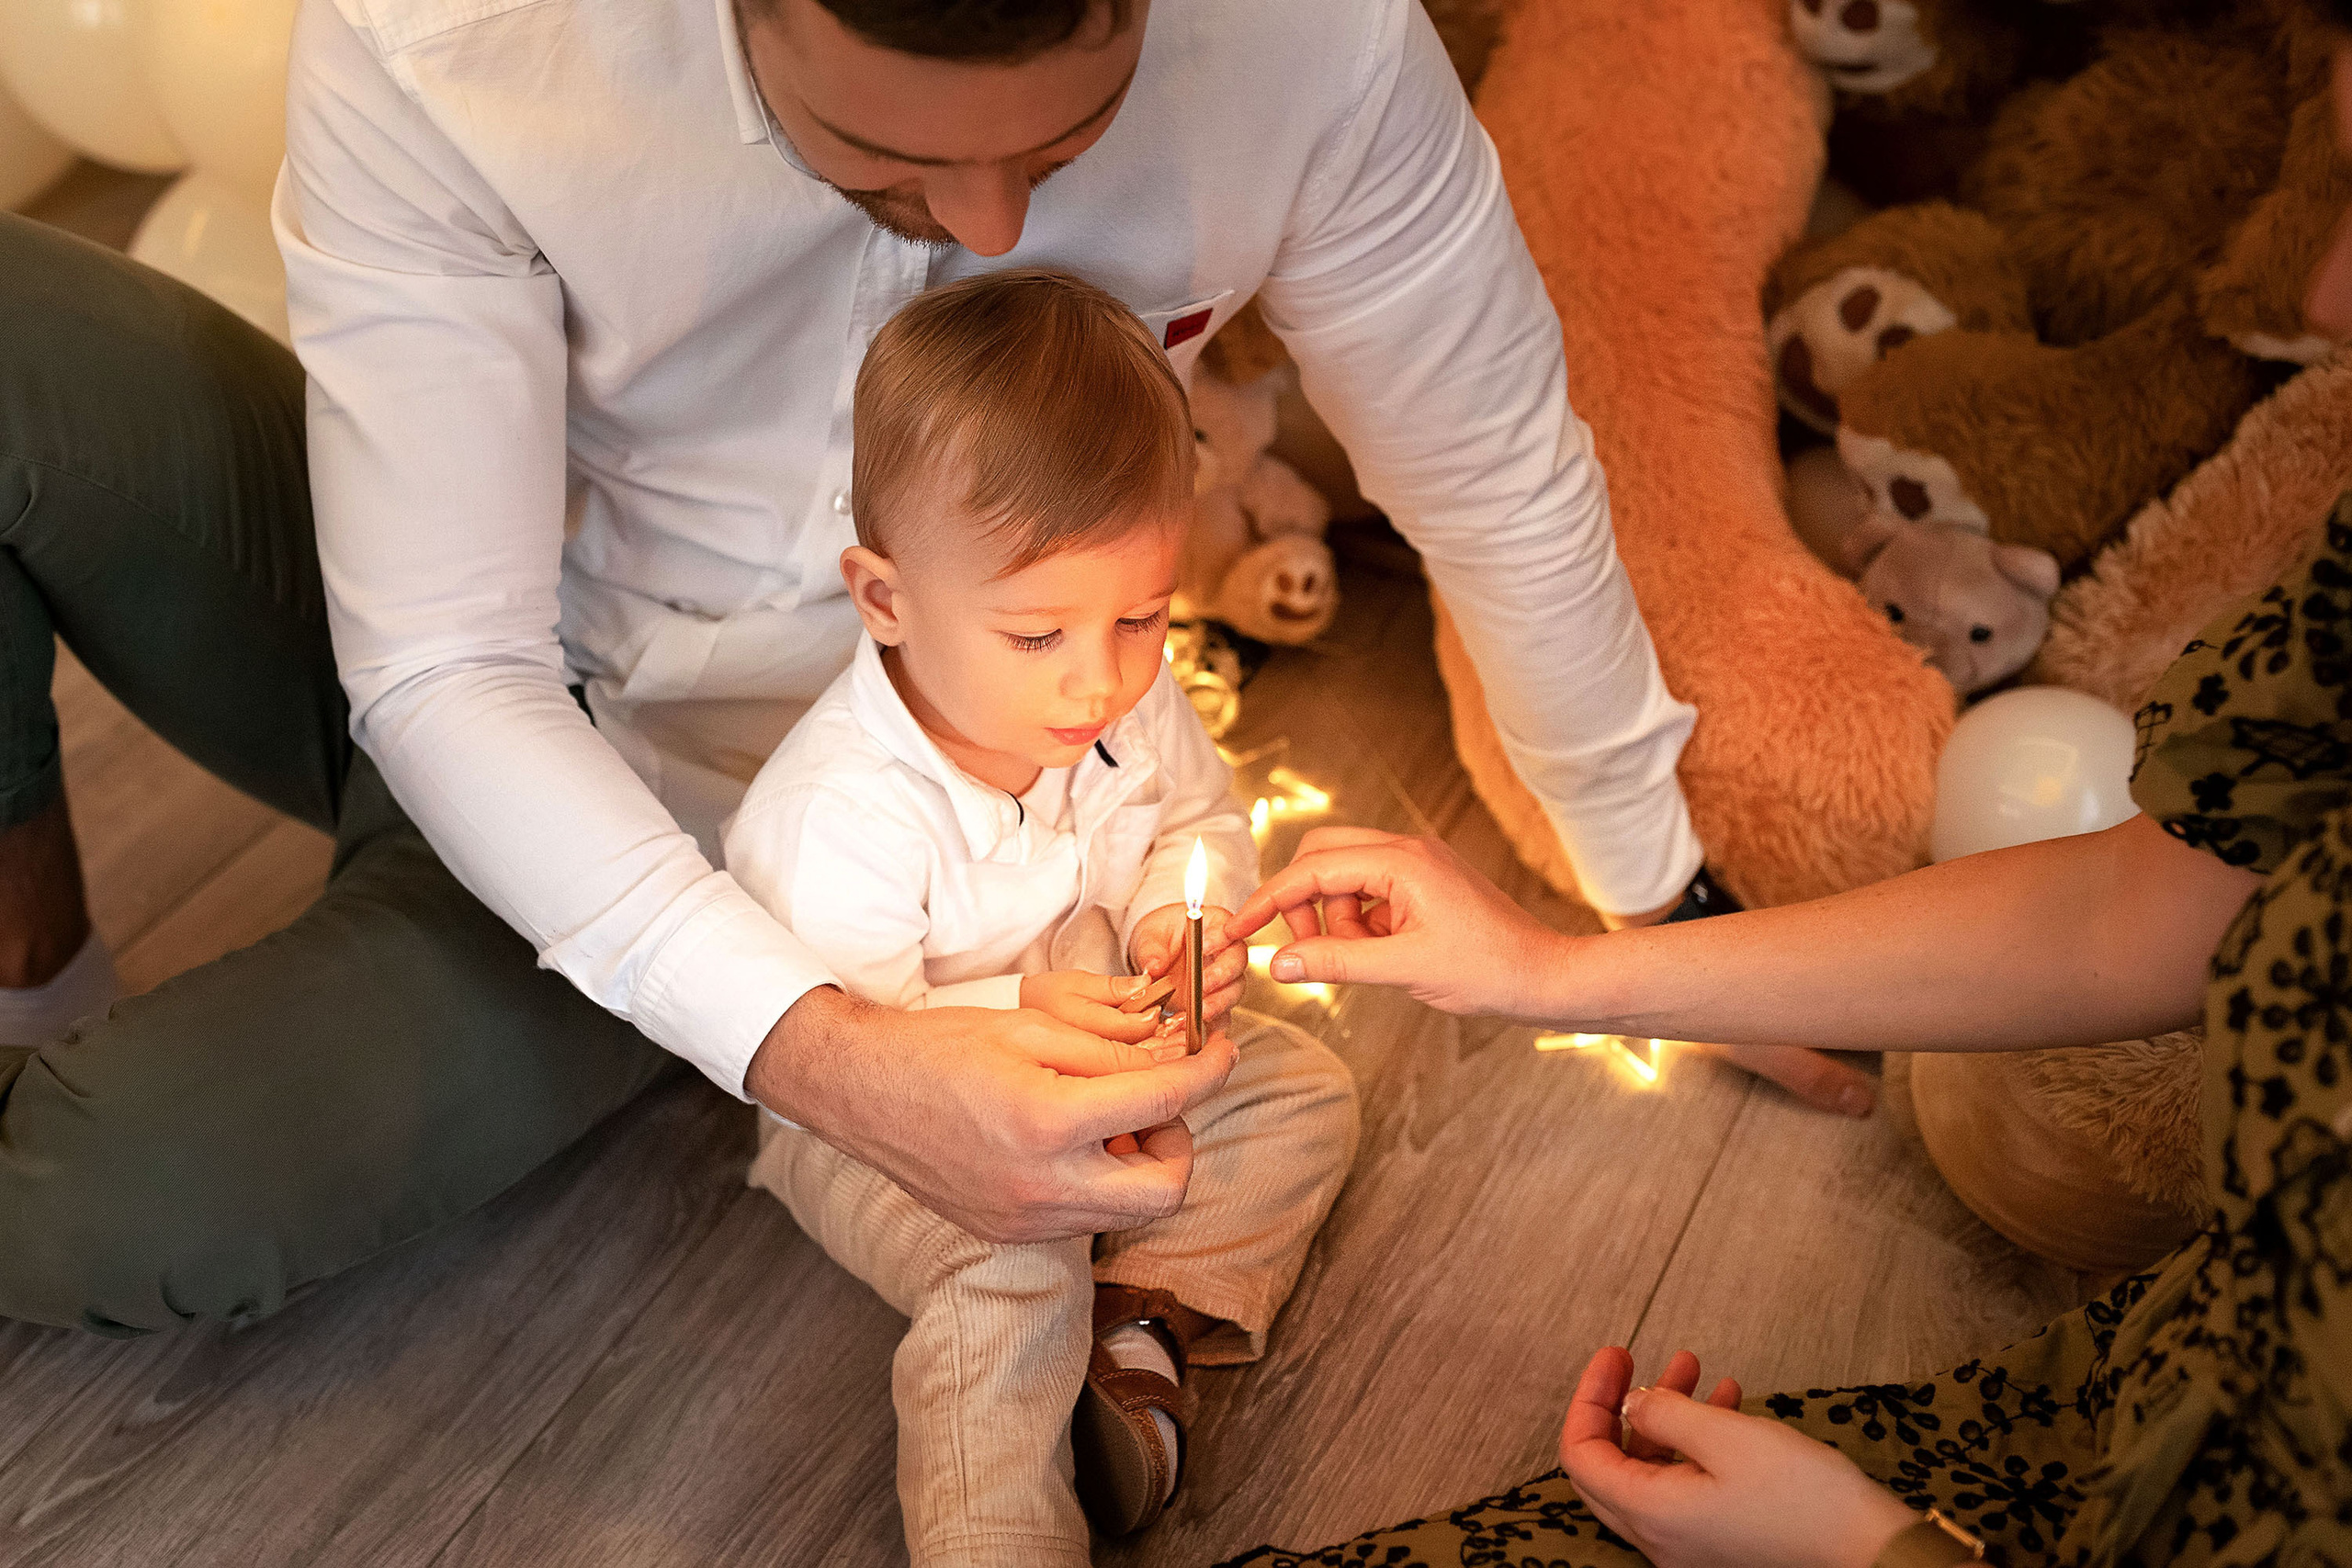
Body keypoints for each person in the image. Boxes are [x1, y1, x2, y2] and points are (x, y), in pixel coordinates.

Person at [0, 0, 1737, 1336]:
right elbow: (445, 660)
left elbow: (1489, 461)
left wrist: (1649, 889)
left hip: (725, 861)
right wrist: (826, 1064)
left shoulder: (1310, 43)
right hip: (489, 635)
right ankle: (27, 944)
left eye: (1070, 141)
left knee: (100, 1203)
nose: (991, 230)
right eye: (880, 154)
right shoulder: (465, 38)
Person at [725, 268, 1357, 1562]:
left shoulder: (1130, 695)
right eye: (1035, 638)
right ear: (886, 597)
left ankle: (1136, 1327)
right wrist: (1013, 1008)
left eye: (1140, 615)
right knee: (1009, 1264)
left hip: (1108, 1054)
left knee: (1303, 1093)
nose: (1101, 677)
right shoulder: (836, 805)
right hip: (873, 1124)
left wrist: (1181, 930)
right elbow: (832, 1034)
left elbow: (1197, 826)